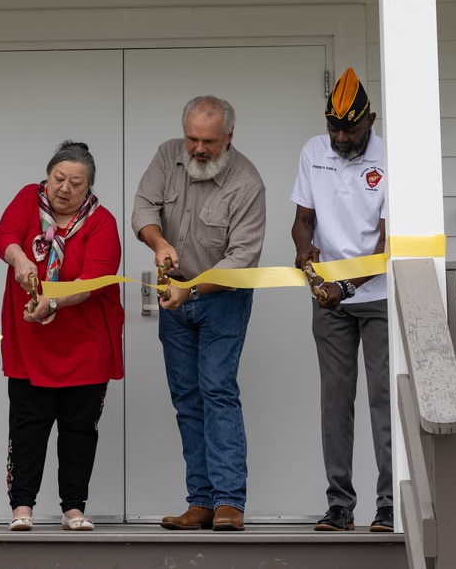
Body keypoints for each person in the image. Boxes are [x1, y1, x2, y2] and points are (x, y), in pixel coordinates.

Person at [131, 95, 265, 532]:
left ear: (229, 137)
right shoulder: (167, 154)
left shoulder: (247, 183)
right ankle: (200, 502)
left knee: (217, 391)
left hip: (222, 298)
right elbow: (143, 209)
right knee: (187, 398)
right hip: (176, 297)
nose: (198, 149)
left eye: (208, 141)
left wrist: (189, 290)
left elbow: (241, 259)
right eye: (192, 138)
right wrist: (159, 244)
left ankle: (229, 502)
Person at [0, 140, 124, 532]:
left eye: (76, 183)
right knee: (27, 425)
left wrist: (53, 302)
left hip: (86, 341)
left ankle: (73, 509)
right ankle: (22, 508)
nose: (64, 188)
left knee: (79, 429)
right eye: (58, 178)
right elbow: (5, 236)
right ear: (47, 177)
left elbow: (94, 281)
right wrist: (20, 261)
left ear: (89, 188)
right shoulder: (26, 200)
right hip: (31, 340)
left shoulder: (103, 221)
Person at [290, 67, 392, 533]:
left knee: (383, 398)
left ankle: (389, 504)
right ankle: (340, 506)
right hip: (328, 298)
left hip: (378, 297)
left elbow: (387, 246)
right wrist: (303, 252)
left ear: (369, 119)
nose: (340, 136)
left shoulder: (392, 155)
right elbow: (304, 220)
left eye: (350, 128)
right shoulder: (315, 150)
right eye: (333, 126)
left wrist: (346, 287)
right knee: (335, 401)